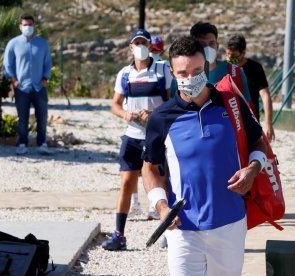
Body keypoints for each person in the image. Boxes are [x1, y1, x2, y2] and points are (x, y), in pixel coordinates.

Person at [141, 36, 267, 275]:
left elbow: (258, 142)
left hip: (230, 225)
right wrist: (160, 206)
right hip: (183, 229)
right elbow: (149, 168)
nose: (191, 78)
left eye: (197, 70)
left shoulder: (232, 105)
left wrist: (253, 169)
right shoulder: (161, 118)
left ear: (206, 66)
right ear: (171, 72)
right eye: (183, 73)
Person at [102, 28, 172, 251]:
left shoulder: (163, 70)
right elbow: (115, 104)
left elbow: (174, 102)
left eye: (144, 42)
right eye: (137, 43)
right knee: (125, 183)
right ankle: (119, 235)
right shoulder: (124, 74)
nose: (141, 46)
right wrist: (125, 114)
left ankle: (169, 233)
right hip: (132, 136)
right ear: (130, 47)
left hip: (156, 137)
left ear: (151, 46)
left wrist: (155, 115)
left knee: (162, 182)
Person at [3, 14, 53, 155]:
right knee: (22, 118)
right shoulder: (13, 43)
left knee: (42, 116)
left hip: (39, 86)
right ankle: (22, 143)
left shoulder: (43, 44)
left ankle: (42, 143)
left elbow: (48, 62)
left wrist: (45, 78)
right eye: (25, 25)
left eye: (30, 24)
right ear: (20, 26)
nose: (28, 27)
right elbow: (7, 64)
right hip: (22, 87)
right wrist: (14, 80)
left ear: (34, 26)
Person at [226, 33, 275, 141]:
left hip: (251, 121)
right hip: (229, 122)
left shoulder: (255, 68)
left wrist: (268, 124)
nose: (230, 58)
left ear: (243, 53)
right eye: (228, 54)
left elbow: (265, 95)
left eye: (234, 56)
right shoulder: (225, 68)